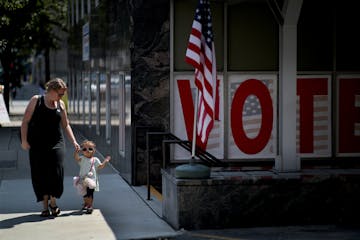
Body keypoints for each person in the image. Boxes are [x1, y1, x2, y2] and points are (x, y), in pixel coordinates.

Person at [21, 78, 80, 217]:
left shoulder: (60, 105)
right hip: (37, 144)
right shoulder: (36, 100)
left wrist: (74, 141)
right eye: (60, 94)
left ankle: (53, 202)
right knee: (40, 174)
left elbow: (66, 125)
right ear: (52, 90)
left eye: (63, 94)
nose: (61, 97)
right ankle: (44, 206)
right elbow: (25, 122)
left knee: (56, 171)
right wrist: (24, 140)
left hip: (57, 143)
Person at [74, 140, 110, 214]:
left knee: (90, 193)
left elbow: (100, 167)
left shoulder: (95, 159)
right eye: (84, 149)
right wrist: (76, 152)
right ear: (82, 151)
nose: (87, 150)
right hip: (83, 180)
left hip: (91, 180)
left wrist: (105, 162)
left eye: (90, 149)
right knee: (84, 194)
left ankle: (90, 206)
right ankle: (86, 203)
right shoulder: (82, 158)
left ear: (94, 151)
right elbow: (76, 158)